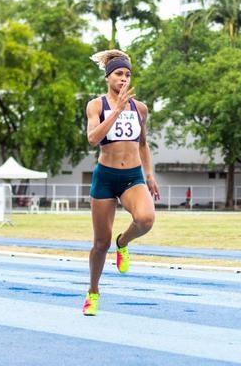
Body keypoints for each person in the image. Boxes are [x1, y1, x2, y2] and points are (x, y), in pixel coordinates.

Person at [82, 50, 160, 316]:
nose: (124, 79)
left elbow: (143, 143)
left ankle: (124, 242)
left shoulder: (140, 109)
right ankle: (93, 291)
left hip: (132, 177)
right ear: (108, 77)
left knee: (146, 219)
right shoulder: (97, 105)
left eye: (127, 74)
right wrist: (114, 111)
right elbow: (93, 138)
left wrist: (149, 174)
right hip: (106, 177)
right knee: (100, 244)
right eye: (118, 74)